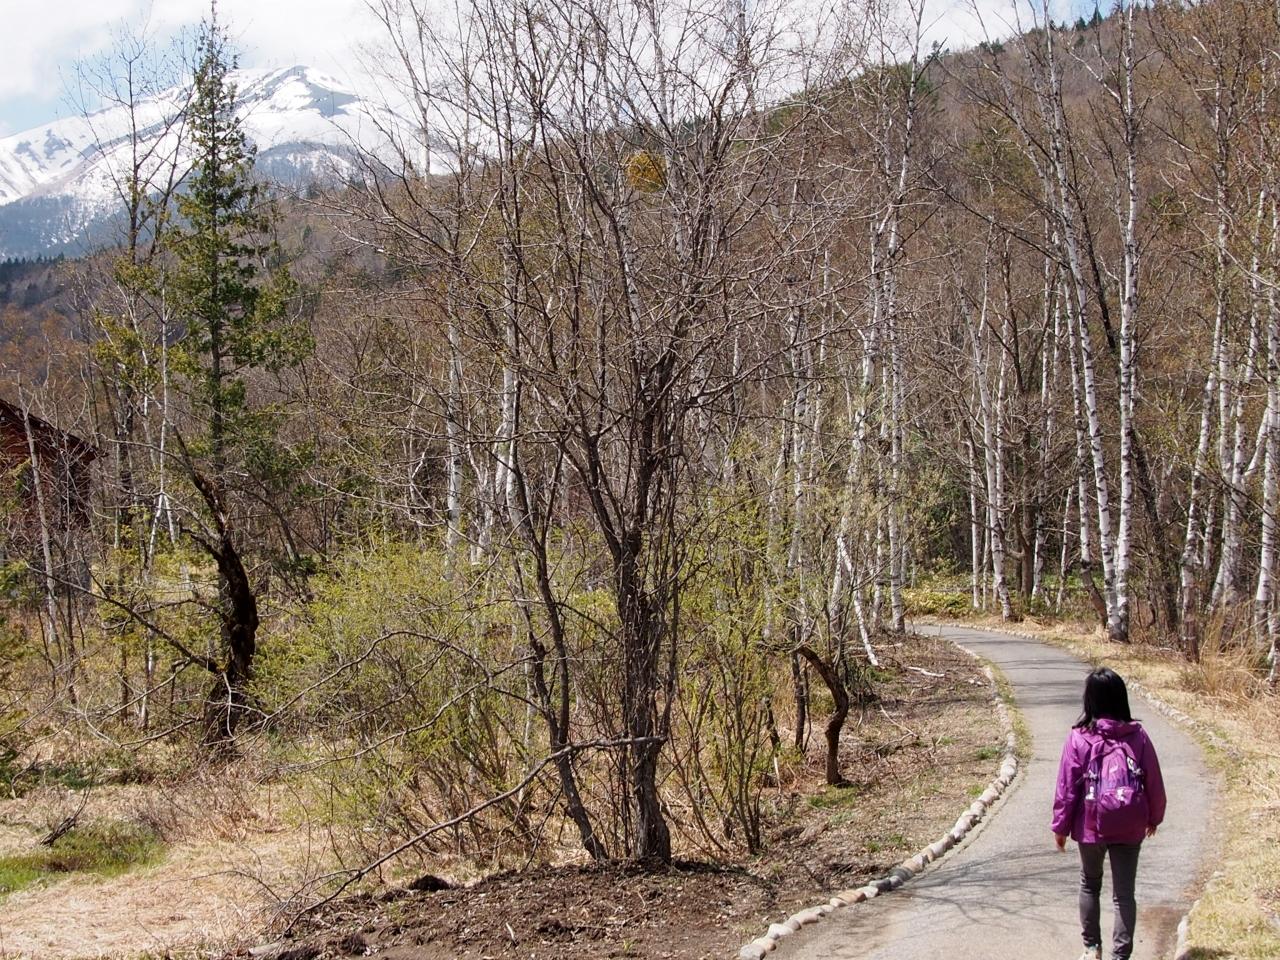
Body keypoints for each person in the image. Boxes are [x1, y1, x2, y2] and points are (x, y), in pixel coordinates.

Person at [1052, 667, 1167, 960]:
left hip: (1090, 825)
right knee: (1124, 894)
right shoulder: (1138, 736)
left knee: (1090, 884)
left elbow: (1067, 788)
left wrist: (1061, 827)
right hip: (1130, 824)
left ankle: (1092, 949)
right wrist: (1154, 817)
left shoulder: (1078, 738)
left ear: (1090, 699)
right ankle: (1121, 956)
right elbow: (1154, 781)